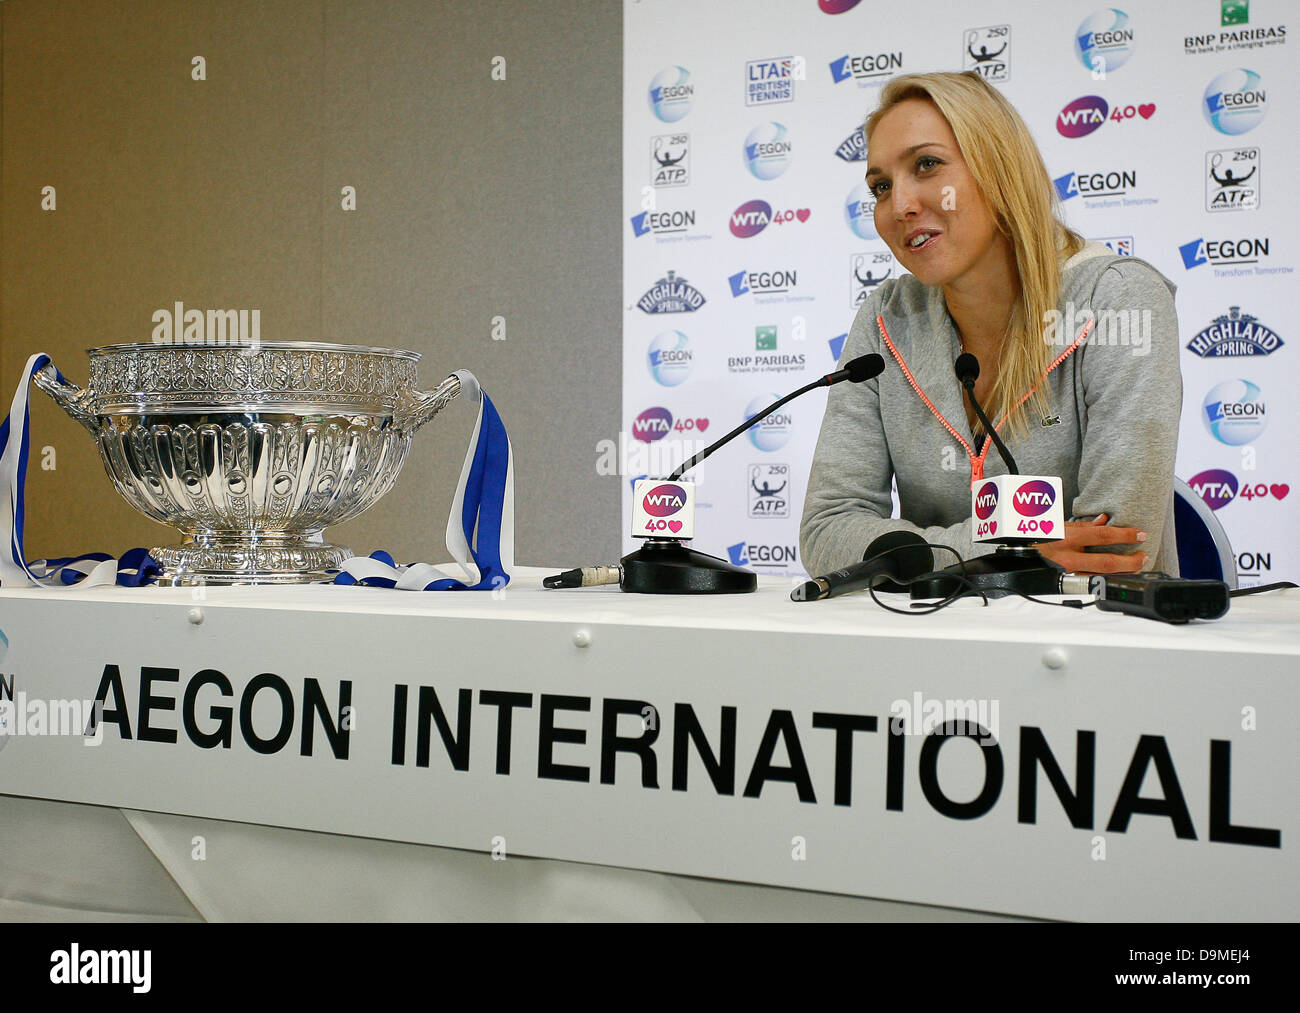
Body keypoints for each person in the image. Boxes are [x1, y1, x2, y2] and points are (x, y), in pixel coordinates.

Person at [800, 72, 1182, 579]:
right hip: (932, 637)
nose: (900, 206)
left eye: (928, 165)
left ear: (999, 166)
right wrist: (990, 545)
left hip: (1090, 644)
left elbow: (1110, 552)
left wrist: (926, 558)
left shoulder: (1118, 299)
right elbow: (827, 532)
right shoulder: (884, 318)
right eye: (881, 186)